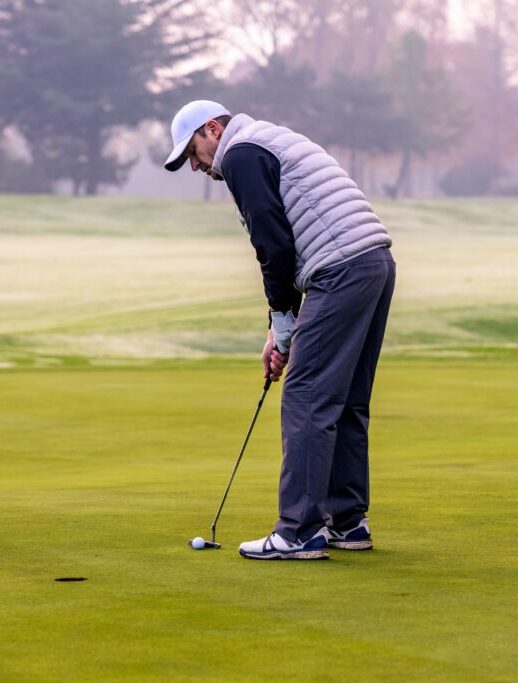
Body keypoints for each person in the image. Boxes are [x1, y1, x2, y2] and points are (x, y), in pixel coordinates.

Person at [164, 100, 395, 560]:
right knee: (344, 398)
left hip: (340, 268)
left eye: (193, 151)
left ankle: (300, 531)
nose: (196, 165)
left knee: (307, 396)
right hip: (373, 262)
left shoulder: (240, 154)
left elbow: (272, 244)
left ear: (213, 130)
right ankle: (346, 522)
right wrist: (280, 325)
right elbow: (287, 244)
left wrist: (284, 322)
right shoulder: (265, 139)